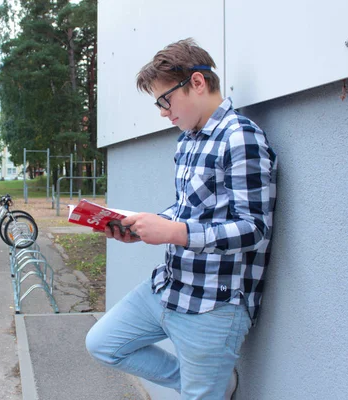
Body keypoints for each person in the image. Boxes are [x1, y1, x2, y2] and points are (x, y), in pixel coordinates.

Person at [85, 38, 277, 399]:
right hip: (169, 287)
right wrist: (143, 228)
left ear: (198, 83)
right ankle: (208, 383)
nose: (162, 112)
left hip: (214, 303)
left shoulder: (242, 138)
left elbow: (253, 229)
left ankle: (205, 386)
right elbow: (188, 209)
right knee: (103, 343)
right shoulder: (188, 140)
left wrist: (174, 231)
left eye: (165, 100)